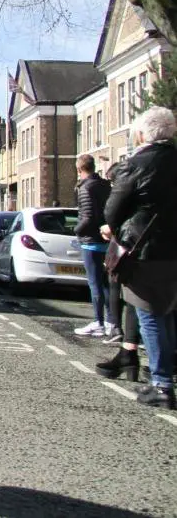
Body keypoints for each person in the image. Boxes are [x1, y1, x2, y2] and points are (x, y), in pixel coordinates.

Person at [100, 106, 177, 409]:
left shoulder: (138, 163)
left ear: (142, 134)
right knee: (168, 312)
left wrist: (113, 228)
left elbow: (112, 209)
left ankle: (161, 384)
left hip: (144, 250)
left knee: (150, 315)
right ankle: (163, 377)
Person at [73, 154, 113, 337]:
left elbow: (88, 216)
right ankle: (111, 322)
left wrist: (76, 230)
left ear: (79, 169)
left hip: (91, 241)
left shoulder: (85, 188)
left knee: (94, 283)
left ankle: (99, 322)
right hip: (106, 239)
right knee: (106, 284)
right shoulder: (105, 186)